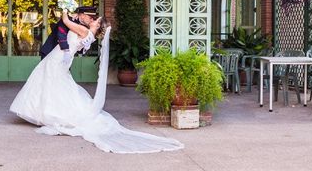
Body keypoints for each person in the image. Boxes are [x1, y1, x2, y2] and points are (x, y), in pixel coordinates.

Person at [10, 9, 184, 154]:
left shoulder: (85, 32)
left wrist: (65, 8)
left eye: (96, 20)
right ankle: (47, 112)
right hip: (60, 59)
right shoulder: (89, 35)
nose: (93, 20)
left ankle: (51, 113)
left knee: (54, 84)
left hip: (58, 60)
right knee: (55, 85)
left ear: (97, 26)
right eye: (93, 18)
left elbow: (66, 22)